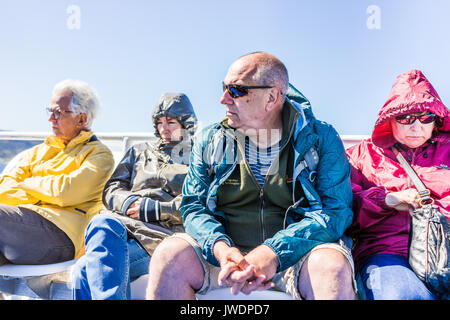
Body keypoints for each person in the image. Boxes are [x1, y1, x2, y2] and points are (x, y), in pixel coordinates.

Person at [146, 52, 357, 300]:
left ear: (272, 97)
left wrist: (273, 253)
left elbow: (335, 211)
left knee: (332, 267)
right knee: (169, 256)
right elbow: (194, 206)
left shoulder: (321, 138)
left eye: (236, 91)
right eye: (224, 88)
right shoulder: (210, 140)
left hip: (296, 257)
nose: (223, 99)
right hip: (223, 257)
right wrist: (221, 249)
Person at [71, 93, 197, 300]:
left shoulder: (198, 158)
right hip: (124, 227)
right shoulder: (138, 152)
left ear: (186, 123)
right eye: (159, 122)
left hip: (162, 236)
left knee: (82, 272)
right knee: (101, 222)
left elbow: (200, 202)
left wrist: (155, 209)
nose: (164, 129)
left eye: (171, 122)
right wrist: (129, 202)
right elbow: (112, 189)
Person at [346, 70, 450, 300]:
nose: (416, 126)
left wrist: (437, 208)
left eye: (426, 117)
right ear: (389, 119)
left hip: (447, 251)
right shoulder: (360, 156)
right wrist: (386, 200)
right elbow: (340, 209)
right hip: (388, 252)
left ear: (437, 120)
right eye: (405, 117)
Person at [0, 79, 114, 266]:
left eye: (58, 112)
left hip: (61, 236)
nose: (51, 118)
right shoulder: (38, 152)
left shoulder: (99, 155)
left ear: (82, 119)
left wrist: (26, 183)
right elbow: (4, 186)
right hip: (18, 229)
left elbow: (65, 192)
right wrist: (43, 195)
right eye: (50, 111)